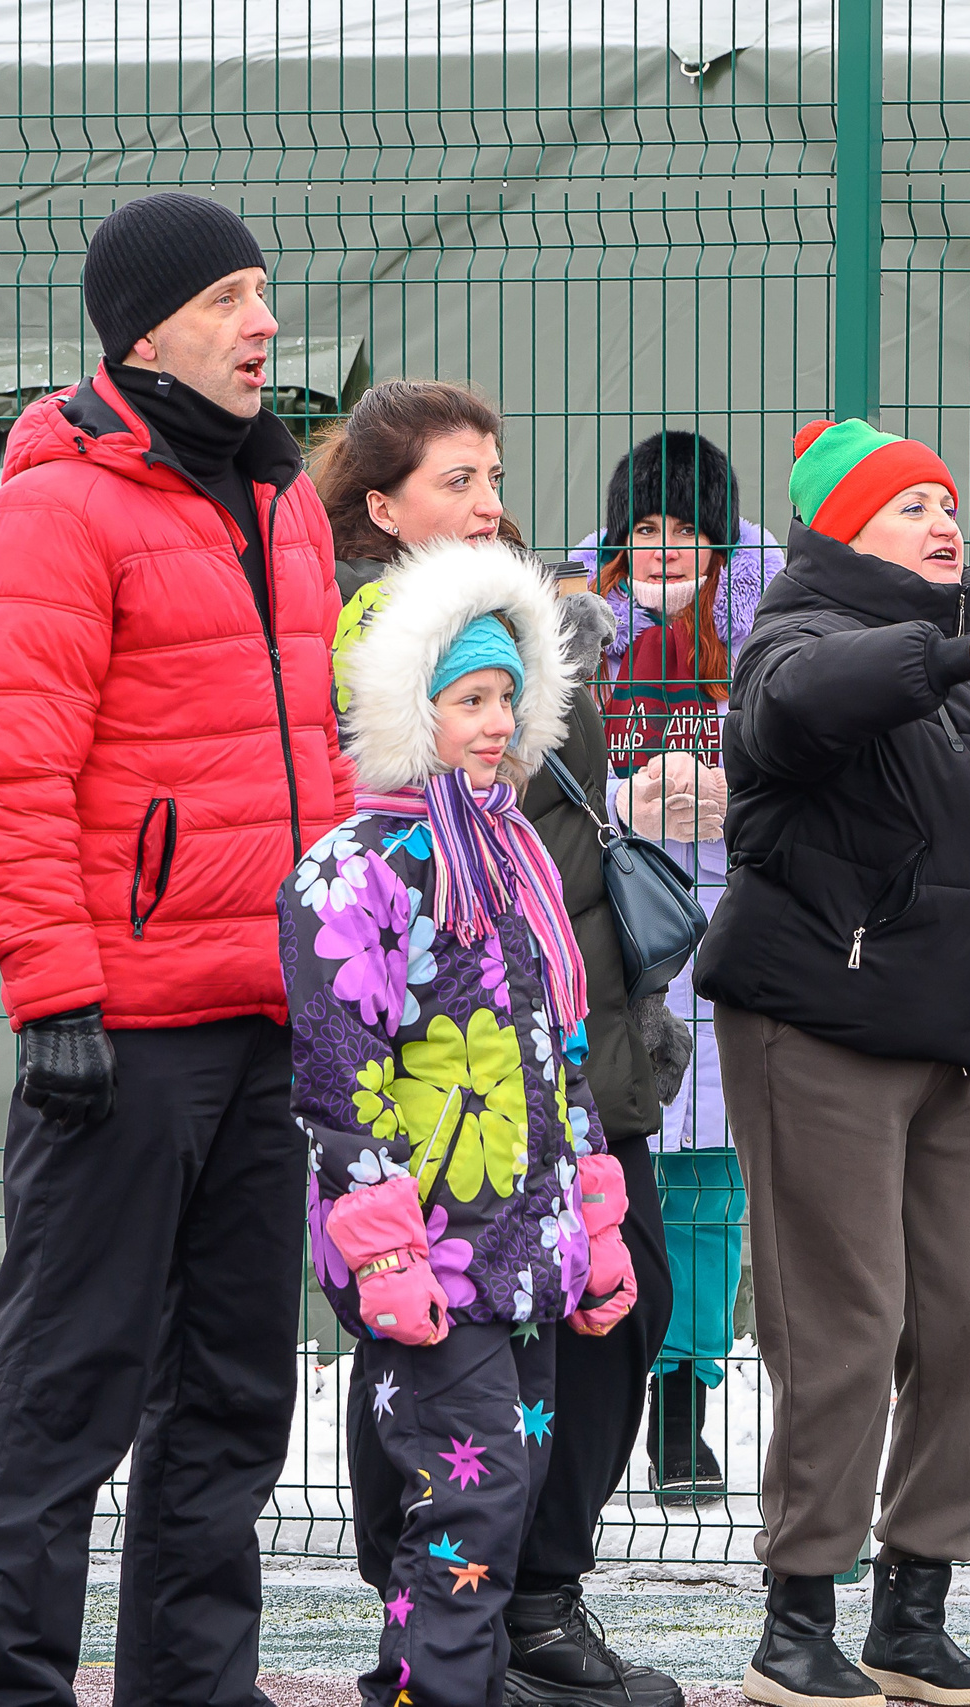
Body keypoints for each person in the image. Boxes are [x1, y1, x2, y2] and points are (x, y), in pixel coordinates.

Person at [0, 192, 357, 1707]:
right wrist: (52, 989)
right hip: (123, 1032)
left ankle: (194, 1686)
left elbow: (316, 752)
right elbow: (12, 773)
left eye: (264, 291)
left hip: (271, 1017)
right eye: (229, 297)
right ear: (142, 334)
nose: (264, 323)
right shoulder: (58, 509)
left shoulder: (283, 499)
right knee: (64, 1395)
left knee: (232, 1396)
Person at [696, 418, 970, 1706]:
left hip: (965, 1040)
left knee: (964, 1339)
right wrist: (964, 652)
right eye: (909, 507)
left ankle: (913, 1614)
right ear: (843, 531)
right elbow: (806, 709)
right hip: (820, 1027)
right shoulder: (796, 640)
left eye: (946, 501)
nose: (944, 521)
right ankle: (796, 1623)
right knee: (842, 1329)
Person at [317, 381, 686, 1707]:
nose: (488, 502)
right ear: (381, 504)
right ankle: (436, 1622)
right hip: (444, 1066)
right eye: (457, 480)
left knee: (614, 1302)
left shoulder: (537, 618)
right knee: (434, 1352)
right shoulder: (366, 648)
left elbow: (551, 814)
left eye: (494, 475)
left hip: (568, 1025)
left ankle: (534, 1597)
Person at [569, 429, 782, 1505]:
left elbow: (806, 760)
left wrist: (730, 796)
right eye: (644, 528)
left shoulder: (766, 628)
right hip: (605, 934)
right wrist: (624, 800)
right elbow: (536, 767)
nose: (662, 550)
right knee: (611, 1172)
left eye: (686, 531)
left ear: (719, 543)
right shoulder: (573, 627)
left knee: (707, 1191)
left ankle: (682, 1406)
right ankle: (604, 1386)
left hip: (724, 929)